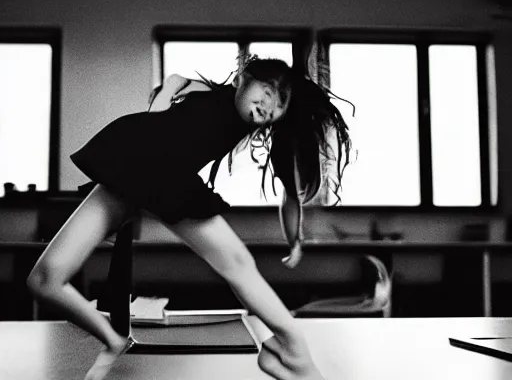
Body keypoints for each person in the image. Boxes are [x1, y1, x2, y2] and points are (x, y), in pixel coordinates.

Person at [27, 56, 353, 380]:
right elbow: (176, 81)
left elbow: (290, 196)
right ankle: (113, 339)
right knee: (44, 280)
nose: (269, 106)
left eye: (279, 105)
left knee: (237, 264)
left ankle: (293, 352)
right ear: (243, 76)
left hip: (159, 175)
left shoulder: (239, 120)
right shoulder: (211, 91)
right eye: (267, 91)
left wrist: (296, 239)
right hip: (130, 164)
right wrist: (163, 99)